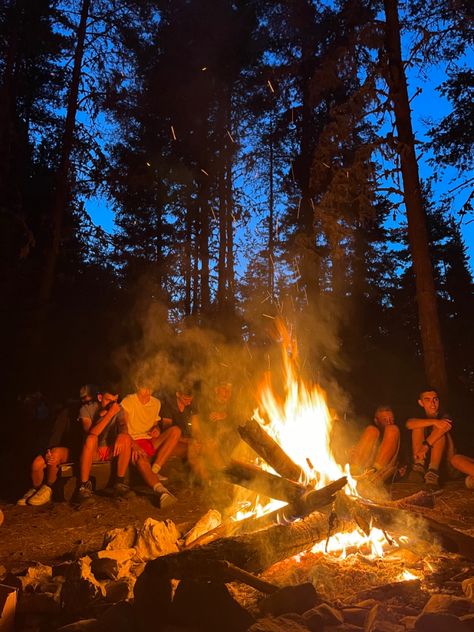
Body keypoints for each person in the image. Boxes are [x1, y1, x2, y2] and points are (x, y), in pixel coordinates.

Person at [17, 384, 97, 506]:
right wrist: (46, 451)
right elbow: (51, 435)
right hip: (58, 448)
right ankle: (36, 489)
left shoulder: (83, 411)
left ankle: (49, 487)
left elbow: (81, 436)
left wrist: (51, 451)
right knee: (37, 464)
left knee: (54, 455)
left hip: (75, 450)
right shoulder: (55, 413)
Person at [121, 384, 179, 507]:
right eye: (144, 387)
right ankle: (162, 492)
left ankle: (154, 471)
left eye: (150, 388)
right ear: (137, 385)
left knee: (176, 431)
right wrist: (134, 445)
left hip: (149, 440)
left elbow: (155, 425)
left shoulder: (156, 403)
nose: (148, 391)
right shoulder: (128, 401)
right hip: (132, 440)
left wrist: (156, 429)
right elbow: (123, 428)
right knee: (141, 459)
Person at [75, 383, 132, 502]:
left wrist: (122, 433)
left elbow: (123, 425)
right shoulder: (86, 409)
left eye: (114, 401)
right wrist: (109, 414)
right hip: (93, 452)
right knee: (91, 439)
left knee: (126, 438)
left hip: (110, 451)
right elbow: (91, 433)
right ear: (100, 397)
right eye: (108, 400)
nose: (112, 404)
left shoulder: (118, 409)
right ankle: (84, 486)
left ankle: (119, 484)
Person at [405, 387, 455, 488]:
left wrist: (425, 447)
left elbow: (444, 426)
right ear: (421, 403)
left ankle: (433, 472)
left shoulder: (445, 414)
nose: (432, 403)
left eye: (435, 399)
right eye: (427, 400)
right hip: (423, 458)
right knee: (418, 426)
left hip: (446, 463)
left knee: (439, 432)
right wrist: (434, 421)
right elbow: (409, 424)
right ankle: (419, 467)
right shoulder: (419, 415)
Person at [349, 405, 400, 478]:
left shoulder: (394, 431)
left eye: (391, 419)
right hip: (364, 470)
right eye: (385, 419)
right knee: (371, 430)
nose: (389, 422)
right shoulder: (373, 433)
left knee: (392, 429)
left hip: (385, 471)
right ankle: (354, 472)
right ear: (376, 421)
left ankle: (374, 473)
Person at [158, 383, 198, 463]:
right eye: (186, 399)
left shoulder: (190, 406)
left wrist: (197, 438)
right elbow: (168, 433)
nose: (189, 403)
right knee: (192, 449)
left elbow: (196, 426)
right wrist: (187, 441)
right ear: (178, 394)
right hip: (173, 443)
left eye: (191, 400)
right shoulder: (167, 407)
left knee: (206, 445)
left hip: (188, 440)